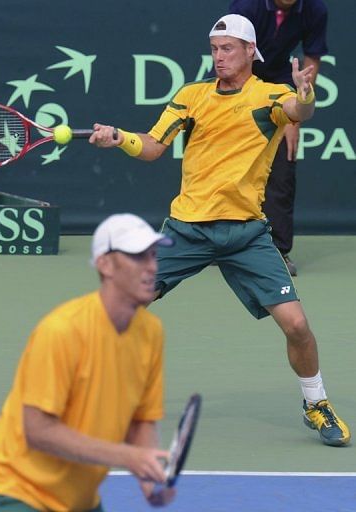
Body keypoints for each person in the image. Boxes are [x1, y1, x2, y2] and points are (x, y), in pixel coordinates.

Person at [89, 14, 351, 447]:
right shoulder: (191, 97)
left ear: (251, 51)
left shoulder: (270, 96)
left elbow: (298, 110)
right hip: (187, 230)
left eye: (227, 48)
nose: (218, 57)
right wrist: (119, 138)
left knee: (297, 326)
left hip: (246, 235)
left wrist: (306, 94)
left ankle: (315, 403)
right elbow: (154, 146)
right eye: (214, 49)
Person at [0, 213, 176, 511]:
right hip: (13, 491)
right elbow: (38, 430)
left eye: (153, 255)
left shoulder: (151, 332)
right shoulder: (62, 330)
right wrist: (127, 457)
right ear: (105, 264)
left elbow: (142, 419)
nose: (151, 267)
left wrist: (148, 480)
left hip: (77, 500)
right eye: (137, 256)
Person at [228, 0, 329, 276]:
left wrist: (294, 112)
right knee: (225, 166)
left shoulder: (315, 9)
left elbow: (312, 58)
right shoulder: (246, 6)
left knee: (283, 165)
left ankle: (277, 253)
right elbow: (231, 53)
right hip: (237, 83)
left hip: (281, 85)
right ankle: (222, 244)